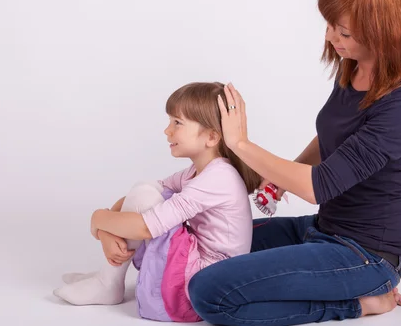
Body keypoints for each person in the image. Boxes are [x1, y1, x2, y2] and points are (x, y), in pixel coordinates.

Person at [186, 0, 401, 326]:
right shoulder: (359, 65)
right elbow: (333, 136)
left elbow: (316, 186)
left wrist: (239, 143)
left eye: (344, 33)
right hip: (323, 227)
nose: (330, 38)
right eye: (331, 26)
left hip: (364, 255)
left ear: (387, 35)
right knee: (202, 240)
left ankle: (363, 303)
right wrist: (277, 177)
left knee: (209, 292)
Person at [53, 82, 262, 310]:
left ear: (211, 137)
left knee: (145, 196)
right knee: (147, 190)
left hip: (200, 286)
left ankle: (107, 282)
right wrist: (105, 232)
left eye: (177, 123)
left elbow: (147, 225)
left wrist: (97, 219)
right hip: (195, 269)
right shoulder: (199, 172)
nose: (167, 130)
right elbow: (143, 194)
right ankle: (107, 277)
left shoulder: (219, 177)